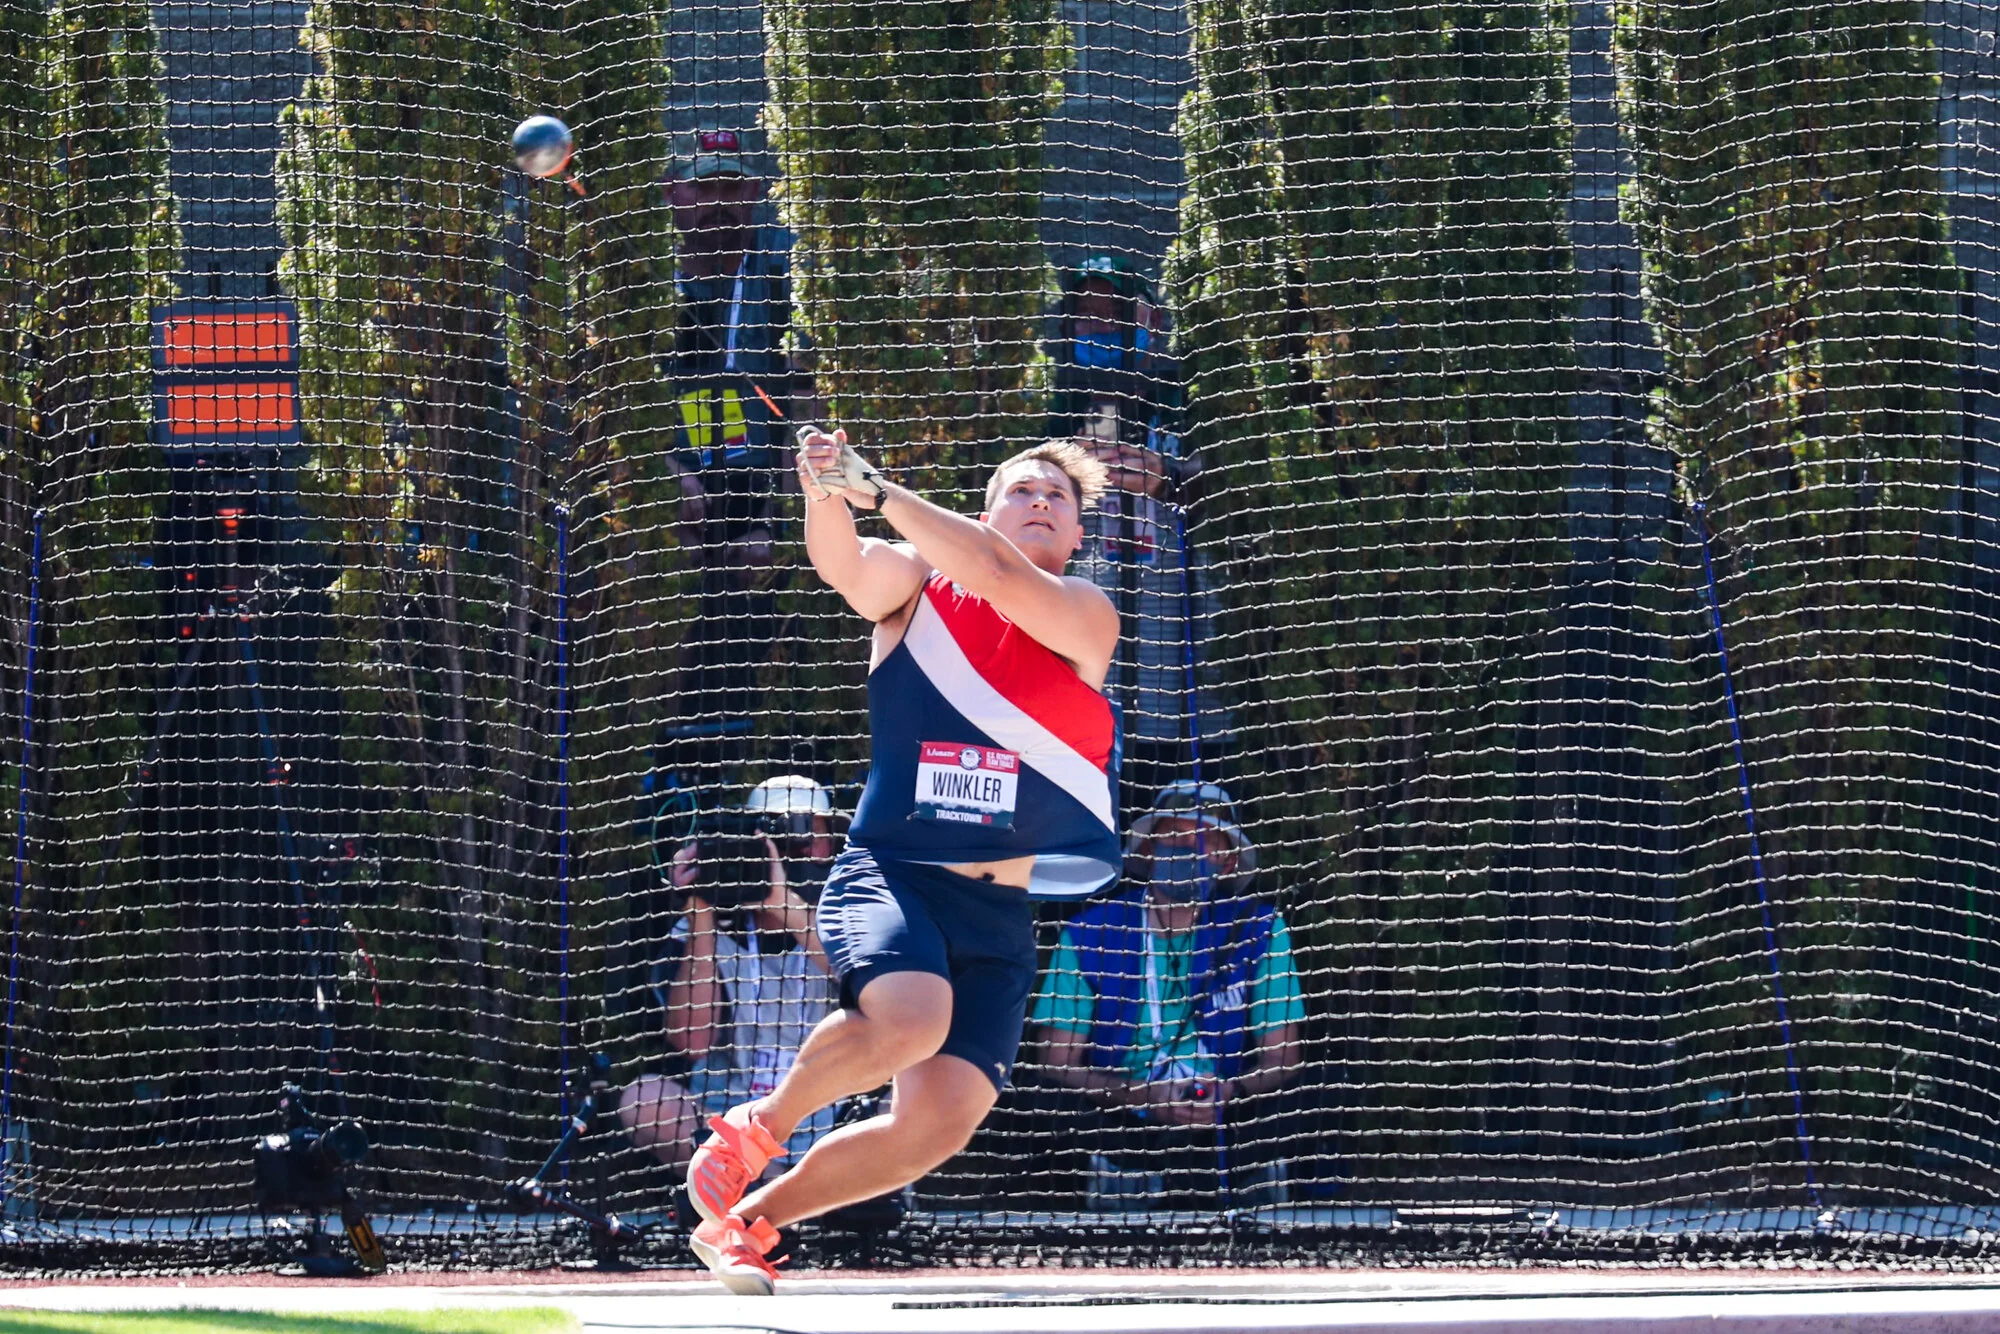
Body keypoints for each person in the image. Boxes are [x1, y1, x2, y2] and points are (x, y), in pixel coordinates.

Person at [679, 428, 1122, 1292]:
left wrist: (875, 487)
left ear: (1075, 536)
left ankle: (748, 1225)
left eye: (1057, 498)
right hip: (895, 872)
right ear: (988, 511)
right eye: (1021, 491)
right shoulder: (919, 582)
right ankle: (752, 1130)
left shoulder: (1085, 614)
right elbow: (845, 566)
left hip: (998, 913)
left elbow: (996, 573)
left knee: (938, 1125)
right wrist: (823, 491)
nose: (1039, 503)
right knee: (910, 1019)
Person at [1031, 780, 1304, 1210]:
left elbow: (1283, 1059)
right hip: (1116, 1113)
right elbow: (1057, 1062)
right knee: (1041, 1106)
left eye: (1206, 843)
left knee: (1313, 1097)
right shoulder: (1090, 932)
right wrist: (1138, 1094)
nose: (1188, 851)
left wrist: (1229, 1090)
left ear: (1229, 862)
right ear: (1148, 852)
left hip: (1227, 1111)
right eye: (1173, 839)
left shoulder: (1261, 928)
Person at [659, 130, 817, 773]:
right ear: (675, 195)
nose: (718, 203)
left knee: (755, 663)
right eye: (705, 187)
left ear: (753, 194)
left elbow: (805, 404)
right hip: (673, 491)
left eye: (732, 188)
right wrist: (664, 475)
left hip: (760, 495)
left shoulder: (779, 282)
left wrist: (777, 522)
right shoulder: (647, 284)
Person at [617, 782, 838, 1175]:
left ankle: (818, 1197)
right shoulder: (715, 925)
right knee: (643, 1100)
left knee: (907, 1103)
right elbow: (691, 1042)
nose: (796, 853)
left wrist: (783, 903)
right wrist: (700, 913)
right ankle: (743, 1195)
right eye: (782, 840)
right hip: (731, 1139)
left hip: (832, 1137)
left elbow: (879, 997)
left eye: (809, 837)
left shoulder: (845, 918)